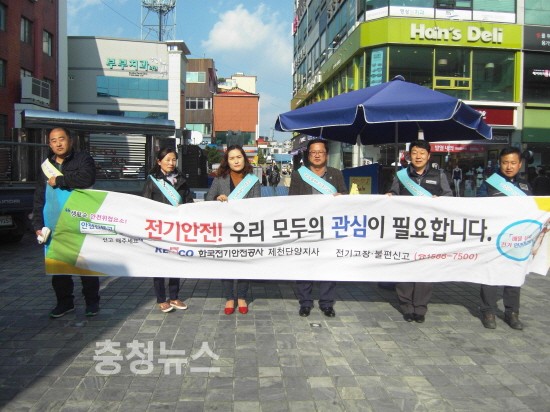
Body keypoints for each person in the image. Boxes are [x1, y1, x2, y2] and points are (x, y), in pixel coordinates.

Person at [32, 127, 101, 318]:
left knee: (86, 264)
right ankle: (64, 303)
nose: (58, 144)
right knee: (59, 267)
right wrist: (37, 224)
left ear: (70, 140)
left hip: (80, 221)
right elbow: (39, 196)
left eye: (61, 139)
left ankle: (92, 303)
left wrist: (60, 180)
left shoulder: (83, 159)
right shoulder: (46, 166)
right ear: (49, 144)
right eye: (53, 141)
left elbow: (86, 178)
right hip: (55, 224)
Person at [387, 139, 452, 323]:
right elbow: (394, 193)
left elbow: (449, 197)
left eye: (422, 153)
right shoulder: (401, 175)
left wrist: (440, 200)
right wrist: (390, 196)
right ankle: (406, 306)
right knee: (405, 267)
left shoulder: (439, 175)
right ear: (409, 155)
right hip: (405, 230)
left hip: (428, 231)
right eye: (414, 153)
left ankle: (420, 308)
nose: (418, 156)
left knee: (425, 269)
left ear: (428, 156)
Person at [289, 138, 348, 318]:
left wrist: (340, 197)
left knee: (328, 265)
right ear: (308, 155)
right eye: (313, 152)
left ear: (326, 155)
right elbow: (291, 200)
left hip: (329, 228)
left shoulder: (336, 174)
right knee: (304, 265)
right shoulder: (299, 175)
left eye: (320, 152)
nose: (316, 155)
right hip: (306, 227)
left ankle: (327, 303)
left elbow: (345, 195)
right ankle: (305, 303)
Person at [477, 147, 532, 330]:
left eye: (513, 163)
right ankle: (488, 311)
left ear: (520, 164)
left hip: (517, 239)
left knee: (514, 274)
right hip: (493, 237)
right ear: (499, 163)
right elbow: (478, 208)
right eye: (505, 162)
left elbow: (533, 210)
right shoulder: (489, 184)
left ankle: (512, 312)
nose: (509, 166)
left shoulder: (525, 186)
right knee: (490, 274)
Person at [206, 145, 261, 315]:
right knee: (226, 264)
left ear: (244, 158)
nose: (236, 161)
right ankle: (229, 297)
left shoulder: (253, 180)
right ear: (227, 161)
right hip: (225, 229)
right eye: (232, 158)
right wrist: (218, 198)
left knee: (244, 263)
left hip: (245, 229)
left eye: (239, 157)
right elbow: (208, 199)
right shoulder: (220, 179)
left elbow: (257, 204)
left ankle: (242, 297)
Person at [142, 147, 193, 313]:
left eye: (174, 160)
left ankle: (174, 296)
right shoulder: (152, 180)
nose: (171, 163)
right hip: (159, 228)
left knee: (175, 261)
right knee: (159, 263)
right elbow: (145, 204)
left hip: (177, 228)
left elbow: (189, 201)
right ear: (159, 162)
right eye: (167, 160)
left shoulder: (181, 179)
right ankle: (161, 299)